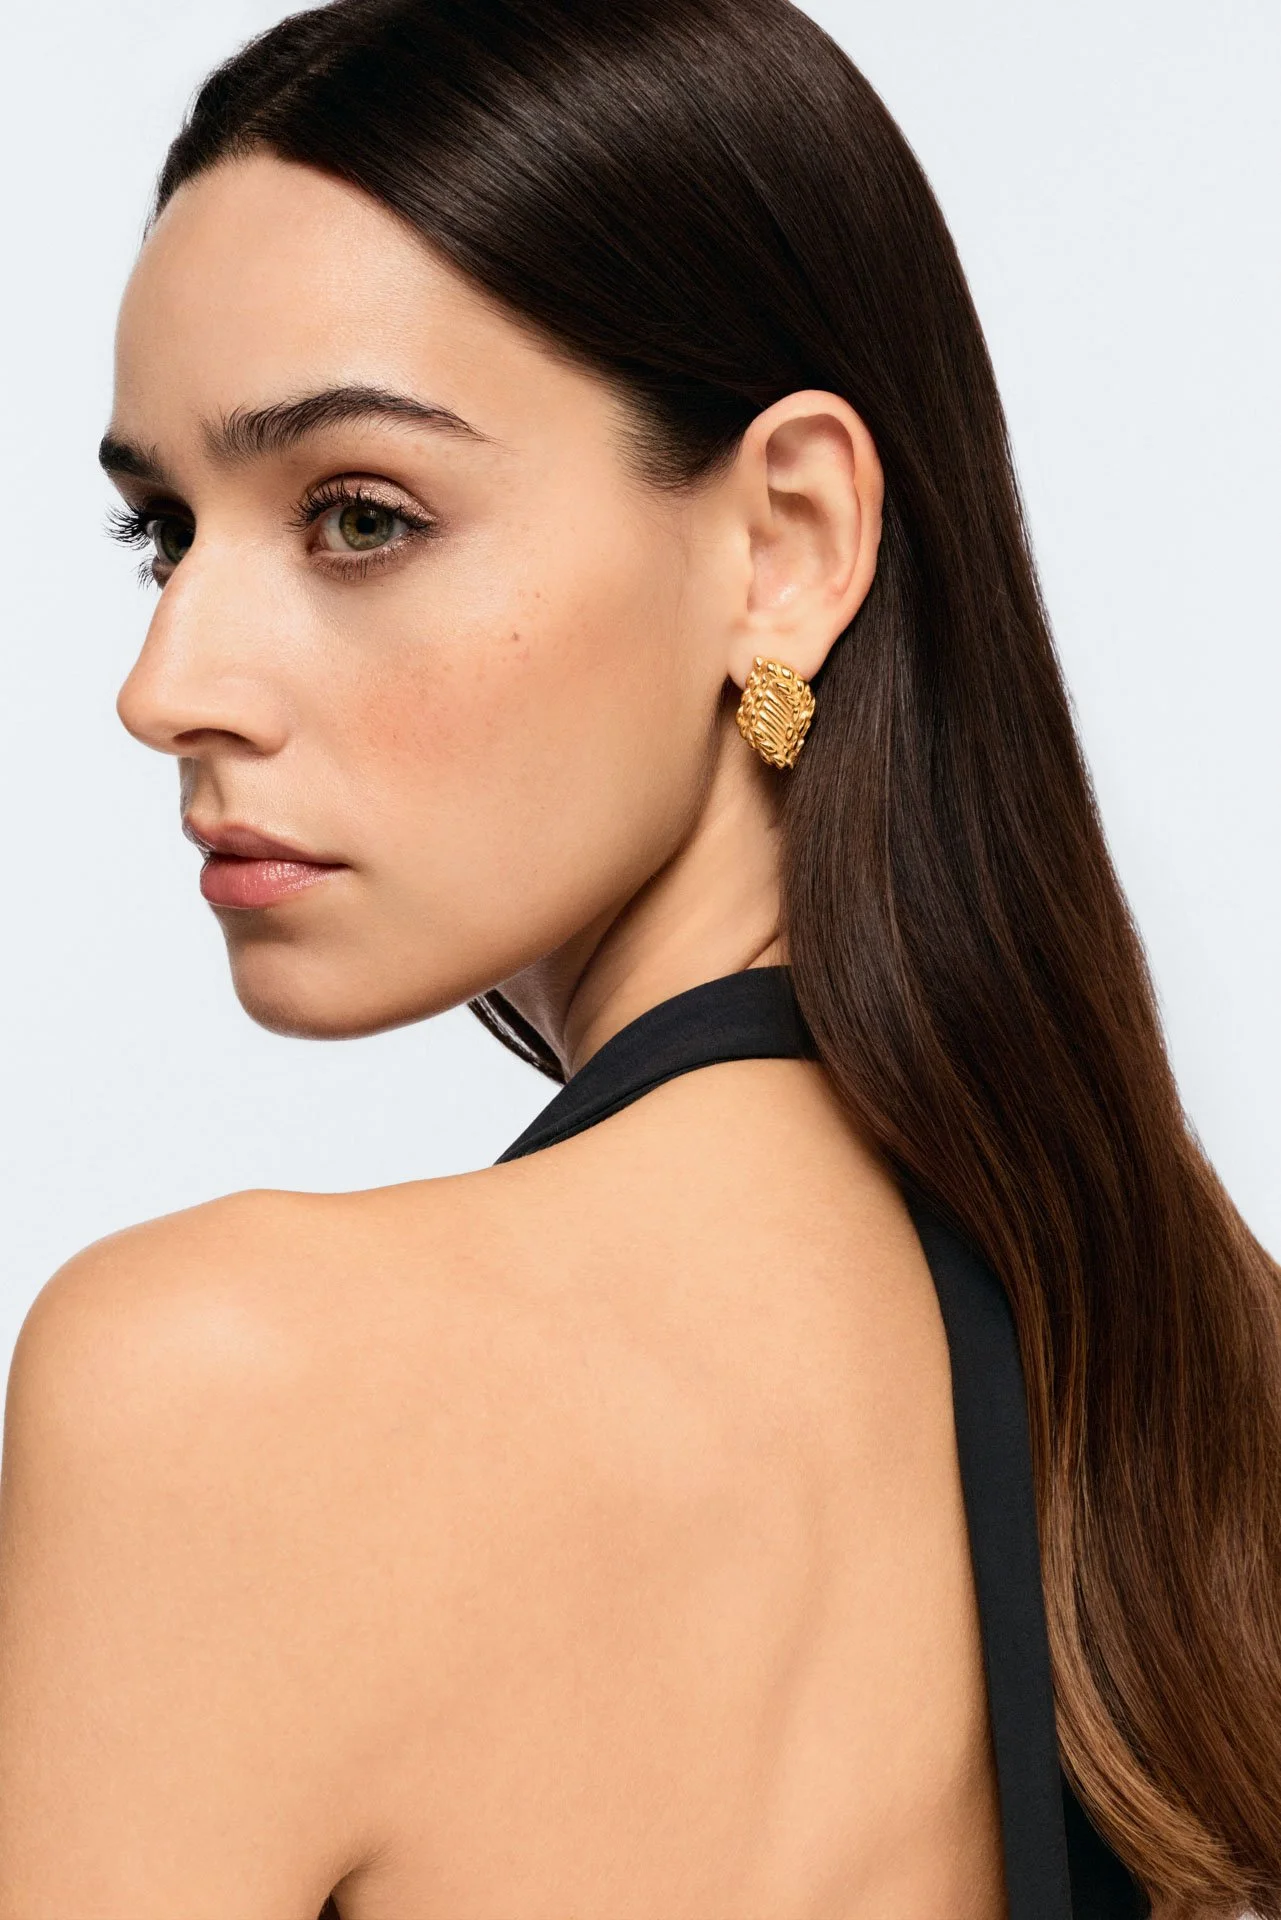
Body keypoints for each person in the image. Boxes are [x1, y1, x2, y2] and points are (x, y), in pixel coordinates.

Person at [1, 1, 1277, 1915]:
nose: (165, 683)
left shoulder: (221, 1386)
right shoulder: (1211, 1358)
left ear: (783, 545)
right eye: (163, 532)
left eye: (360, 515)